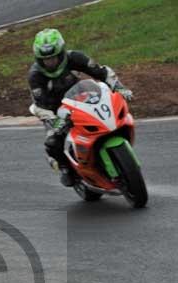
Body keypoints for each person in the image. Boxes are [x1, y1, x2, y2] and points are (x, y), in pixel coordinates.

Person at [29, 28, 132, 187]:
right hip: (54, 111)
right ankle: (65, 168)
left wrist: (118, 87)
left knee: (106, 116)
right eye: (45, 59)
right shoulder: (35, 75)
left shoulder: (75, 57)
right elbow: (40, 104)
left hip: (80, 97)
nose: (50, 62)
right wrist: (54, 122)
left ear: (61, 52)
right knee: (52, 140)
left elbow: (101, 72)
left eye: (54, 57)